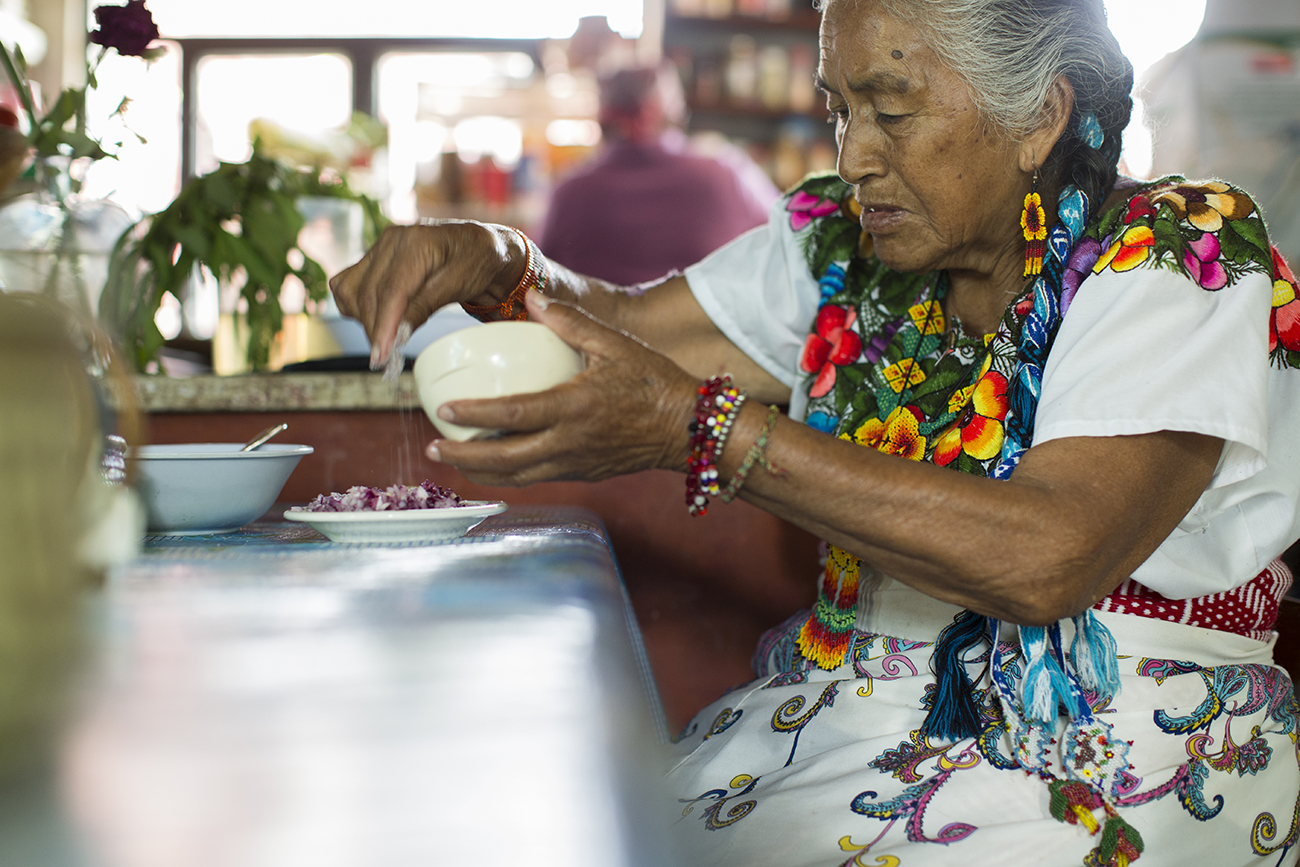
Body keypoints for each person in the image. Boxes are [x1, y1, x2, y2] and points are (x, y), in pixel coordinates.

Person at [330, 0, 1300, 863]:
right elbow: (617, 330)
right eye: (840, 108)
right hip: (843, 713)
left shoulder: (1181, 254)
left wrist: (708, 431)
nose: (851, 155)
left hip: (1102, 737)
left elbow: (1050, 557)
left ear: (1037, 115)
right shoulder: (844, 244)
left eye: (892, 109)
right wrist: (495, 262)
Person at [537, 63, 778, 285]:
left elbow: (537, 274)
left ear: (605, 113)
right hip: (701, 329)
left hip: (591, 330)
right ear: (670, 110)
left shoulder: (570, 192)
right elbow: (790, 238)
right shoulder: (727, 175)